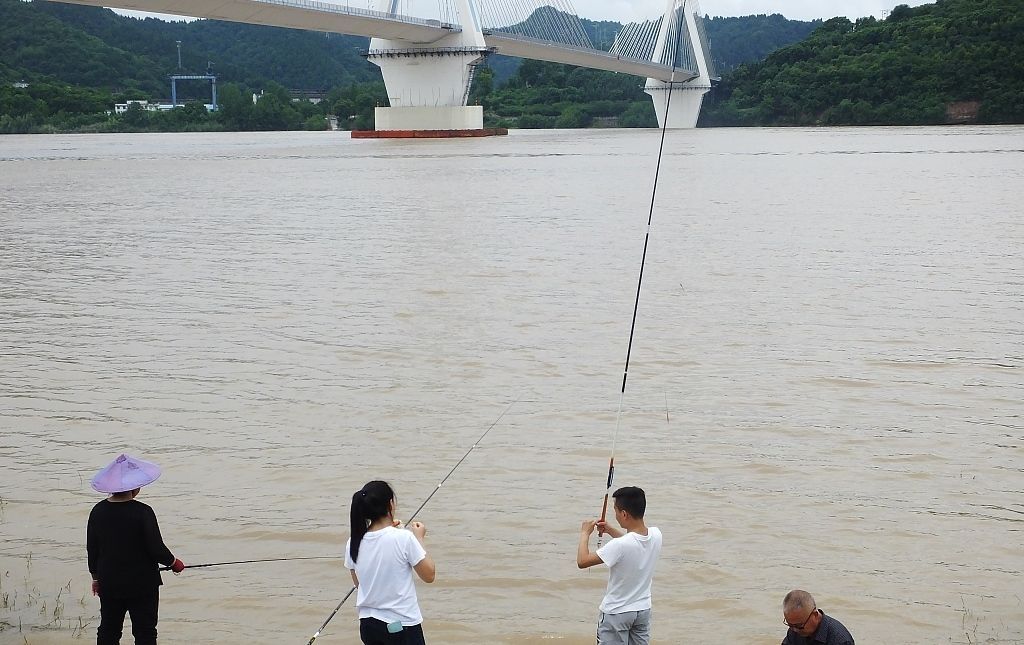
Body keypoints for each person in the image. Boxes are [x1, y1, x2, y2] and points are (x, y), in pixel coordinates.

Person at [87, 454, 185, 645]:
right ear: (136, 488)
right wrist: (174, 563)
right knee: (145, 632)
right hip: (142, 584)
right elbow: (156, 548)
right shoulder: (143, 512)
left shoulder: (97, 511)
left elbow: (93, 549)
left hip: (109, 582)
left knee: (108, 630)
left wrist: (95, 578)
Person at [345, 480, 436, 645]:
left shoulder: (354, 541)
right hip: (402, 626)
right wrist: (419, 538)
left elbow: (359, 584)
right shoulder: (404, 538)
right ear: (390, 505)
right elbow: (429, 575)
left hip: (369, 626)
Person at [577, 486, 662, 645]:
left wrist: (584, 534)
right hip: (642, 610)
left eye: (616, 511)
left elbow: (583, 561)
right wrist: (610, 530)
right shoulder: (656, 534)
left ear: (624, 514)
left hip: (617, 613)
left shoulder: (619, 545)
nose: (615, 515)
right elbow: (633, 543)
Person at [781, 589, 855, 645]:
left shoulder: (840, 641)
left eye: (799, 625)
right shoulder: (795, 629)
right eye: (790, 625)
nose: (795, 630)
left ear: (815, 615)